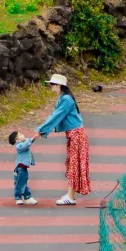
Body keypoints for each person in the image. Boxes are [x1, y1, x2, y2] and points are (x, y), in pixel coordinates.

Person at [36, 74, 91, 206]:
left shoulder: (66, 99)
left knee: (74, 164)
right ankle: (70, 194)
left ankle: (70, 197)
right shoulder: (64, 98)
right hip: (74, 134)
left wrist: (40, 131)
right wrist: (42, 129)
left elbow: (56, 116)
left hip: (76, 135)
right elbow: (54, 115)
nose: (51, 88)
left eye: (53, 85)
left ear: (60, 85)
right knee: (74, 164)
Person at [8, 130, 37, 205]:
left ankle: (27, 197)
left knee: (23, 182)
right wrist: (31, 139)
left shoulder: (22, 144)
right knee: (20, 183)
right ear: (17, 140)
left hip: (23, 167)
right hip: (20, 167)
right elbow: (25, 145)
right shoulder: (18, 146)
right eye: (20, 135)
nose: (23, 135)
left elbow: (27, 144)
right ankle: (18, 197)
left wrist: (34, 138)